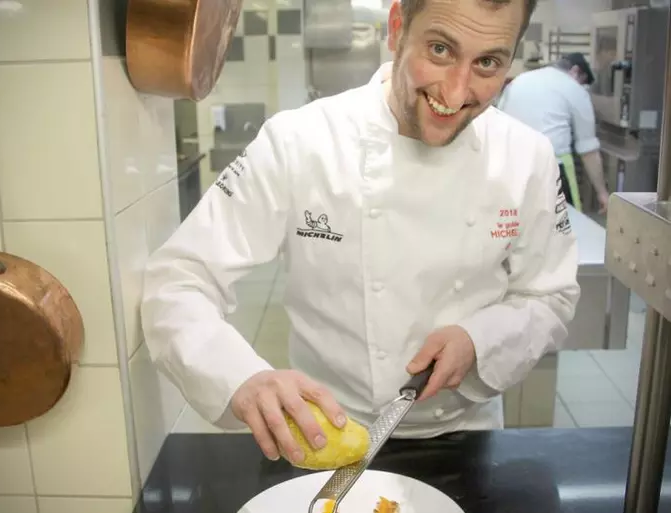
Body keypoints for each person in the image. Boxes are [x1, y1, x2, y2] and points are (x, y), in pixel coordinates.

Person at [141, 0, 580, 466]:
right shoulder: (300, 142)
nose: (455, 92)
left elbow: (551, 296)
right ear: (396, 29)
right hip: (323, 434)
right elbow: (179, 280)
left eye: (488, 63)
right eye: (439, 49)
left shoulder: (526, 156)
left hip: (465, 436)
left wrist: (482, 339)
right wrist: (241, 378)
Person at [497, 52, 611, 213]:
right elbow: (588, 150)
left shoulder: (520, 81)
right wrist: (602, 193)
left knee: (514, 224)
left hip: (510, 168)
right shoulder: (574, 89)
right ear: (576, 71)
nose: (582, 86)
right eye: (582, 82)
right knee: (562, 227)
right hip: (551, 169)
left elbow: (498, 123)